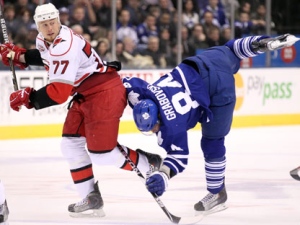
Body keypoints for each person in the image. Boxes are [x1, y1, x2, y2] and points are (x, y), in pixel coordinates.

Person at [0, 3, 162, 218]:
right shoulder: (45, 40)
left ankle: (147, 162)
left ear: (59, 20)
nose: (49, 28)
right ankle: (91, 198)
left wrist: (29, 98)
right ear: (38, 26)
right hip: (86, 93)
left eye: (52, 23)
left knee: (102, 154)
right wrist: (20, 56)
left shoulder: (64, 45)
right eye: (44, 24)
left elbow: (58, 93)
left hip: (104, 92)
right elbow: (46, 57)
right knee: (70, 145)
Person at [122, 34, 299, 215]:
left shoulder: (171, 127)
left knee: (212, 142)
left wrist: (163, 175)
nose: (153, 131)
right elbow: (123, 84)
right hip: (203, 62)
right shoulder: (144, 92)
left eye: (153, 127)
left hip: (218, 90)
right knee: (231, 50)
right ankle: (262, 43)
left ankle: (217, 193)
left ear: (158, 118)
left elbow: (179, 157)